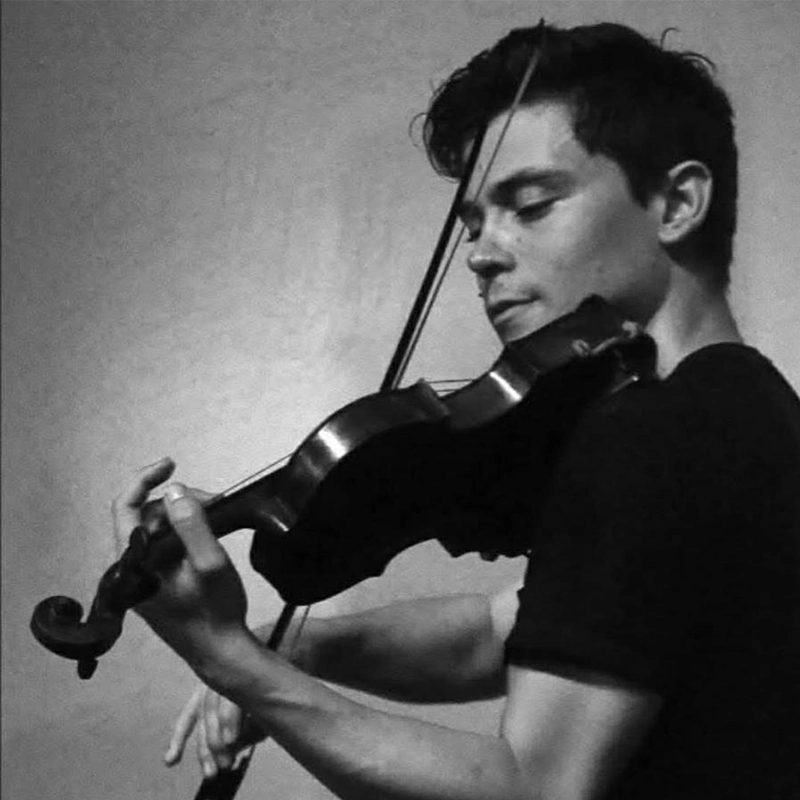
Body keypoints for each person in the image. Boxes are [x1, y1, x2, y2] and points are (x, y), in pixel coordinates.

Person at [113, 21, 800, 799]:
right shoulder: (747, 411)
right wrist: (298, 649)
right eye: (474, 223)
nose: (481, 252)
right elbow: (502, 630)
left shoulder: (654, 434)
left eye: (530, 205)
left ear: (677, 202)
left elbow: (533, 787)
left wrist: (227, 660)